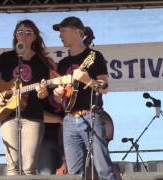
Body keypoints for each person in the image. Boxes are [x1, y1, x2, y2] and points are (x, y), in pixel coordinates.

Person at [0, 19, 51, 175]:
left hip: (33, 116)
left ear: (35, 37)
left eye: (28, 32)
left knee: (29, 167)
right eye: (20, 32)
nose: (24, 35)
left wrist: (42, 92)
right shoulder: (7, 58)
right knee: (12, 167)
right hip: (8, 115)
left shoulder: (42, 62)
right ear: (15, 36)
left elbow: (44, 95)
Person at [52, 16, 118, 180]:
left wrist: (87, 79)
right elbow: (62, 99)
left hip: (90, 115)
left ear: (77, 32)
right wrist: (58, 94)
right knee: (73, 174)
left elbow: (104, 88)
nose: (60, 36)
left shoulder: (94, 56)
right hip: (68, 120)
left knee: (103, 168)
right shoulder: (63, 63)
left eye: (63, 31)